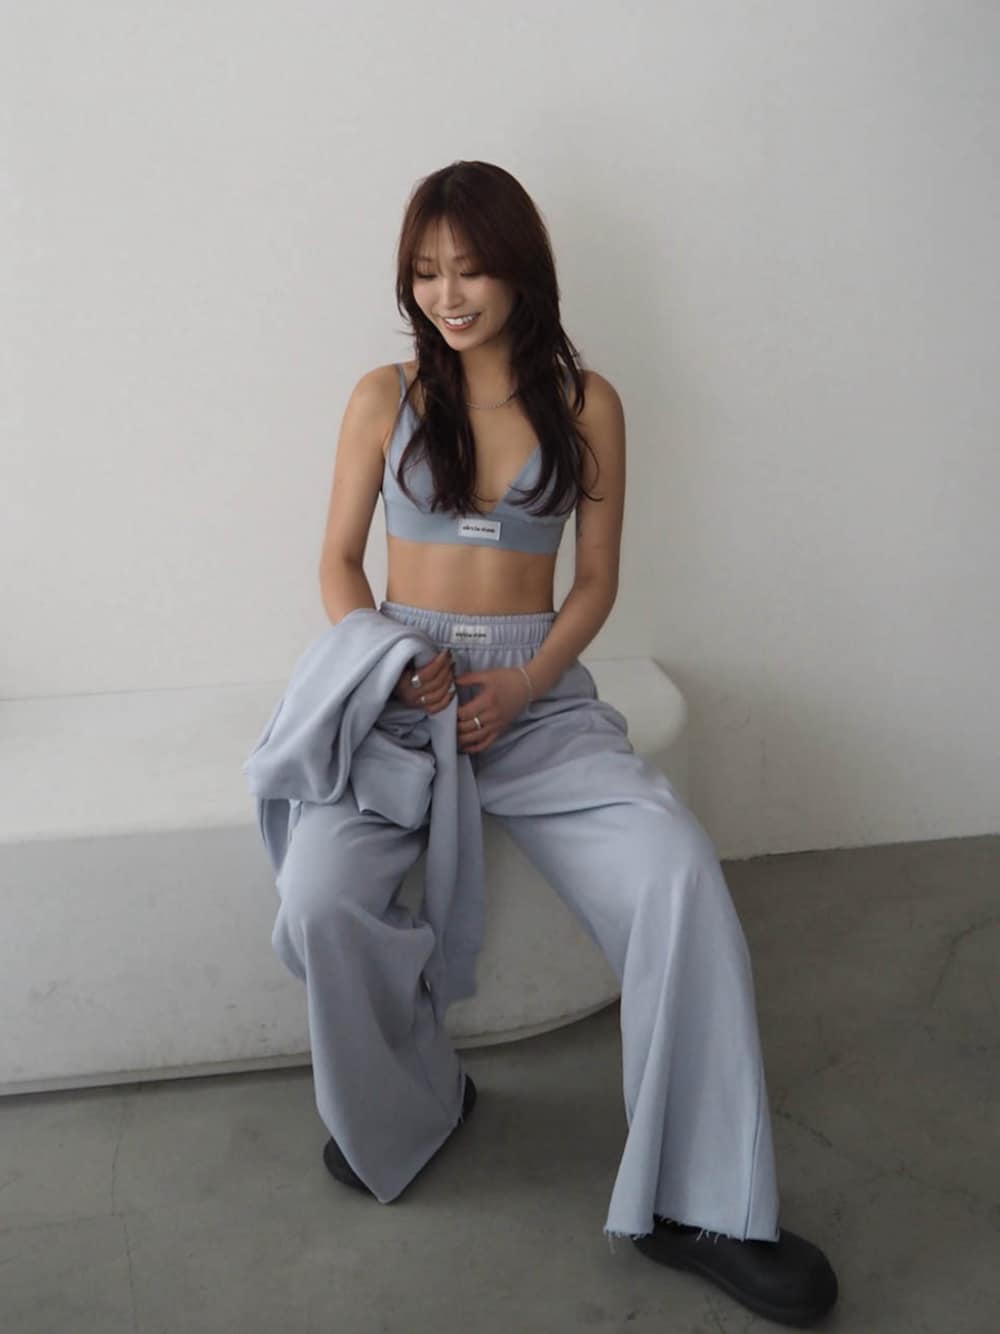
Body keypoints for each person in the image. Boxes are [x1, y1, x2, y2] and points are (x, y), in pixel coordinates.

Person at [270, 160, 838, 1327]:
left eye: (470, 268)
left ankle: (700, 1201)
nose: (446, 294)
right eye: (425, 272)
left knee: (675, 871)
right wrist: (389, 659)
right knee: (320, 895)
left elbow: (595, 581)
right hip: (396, 693)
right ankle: (411, 1103)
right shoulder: (381, 396)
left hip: (537, 700)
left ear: (520, 268)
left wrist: (526, 682)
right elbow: (335, 562)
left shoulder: (588, 404)